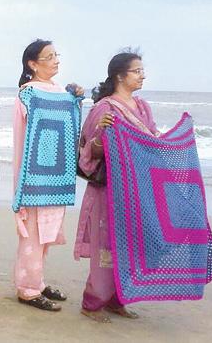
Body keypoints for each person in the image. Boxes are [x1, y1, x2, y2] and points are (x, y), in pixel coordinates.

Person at [75, 50, 153, 323]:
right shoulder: (104, 109)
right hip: (109, 190)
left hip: (136, 190)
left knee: (130, 246)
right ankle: (93, 302)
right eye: (137, 71)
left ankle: (118, 300)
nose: (143, 75)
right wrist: (103, 135)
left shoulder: (142, 108)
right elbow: (88, 152)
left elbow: (151, 143)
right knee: (106, 247)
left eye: (142, 70)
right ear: (120, 76)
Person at [12, 39, 84, 311]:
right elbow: (25, 138)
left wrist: (76, 100)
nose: (56, 60)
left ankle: (37, 282)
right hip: (33, 178)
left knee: (46, 235)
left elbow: (68, 125)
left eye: (56, 55)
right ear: (33, 64)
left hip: (54, 175)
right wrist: (21, 183)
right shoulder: (28, 93)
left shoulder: (57, 91)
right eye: (49, 56)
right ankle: (27, 289)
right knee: (31, 236)